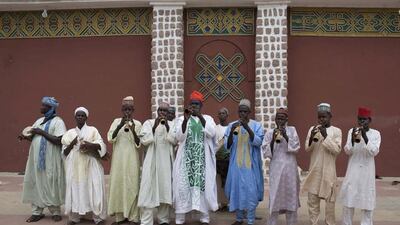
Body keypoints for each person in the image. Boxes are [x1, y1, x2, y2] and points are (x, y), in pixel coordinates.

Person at [173, 91, 218, 225]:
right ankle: (180, 217)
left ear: (201, 105)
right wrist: (186, 120)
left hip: (202, 161)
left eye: (197, 104)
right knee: (183, 187)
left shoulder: (208, 119)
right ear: (189, 105)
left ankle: (204, 217)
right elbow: (179, 137)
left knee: (203, 187)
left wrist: (200, 117)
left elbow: (212, 132)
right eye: (192, 104)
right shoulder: (182, 119)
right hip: (186, 160)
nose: (194, 106)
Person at [19, 97, 66, 223]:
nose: (41, 107)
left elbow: (59, 140)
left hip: (51, 160)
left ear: (51, 108)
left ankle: (55, 211)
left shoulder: (58, 122)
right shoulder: (39, 121)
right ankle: (36, 212)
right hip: (36, 160)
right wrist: (25, 137)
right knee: (37, 183)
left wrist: (41, 132)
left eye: (44, 105)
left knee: (51, 183)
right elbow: (33, 137)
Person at [62, 107, 107, 225]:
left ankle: (97, 218)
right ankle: (74, 218)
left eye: (82, 116)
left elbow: (101, 145)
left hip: (91, 165)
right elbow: (64, 153)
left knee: (94, 189)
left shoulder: (93, 130)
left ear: (86, 117)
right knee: (76, 189)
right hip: (75, 167)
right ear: (75, 117)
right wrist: (72, 143)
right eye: (78, 115)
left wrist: (89, 145)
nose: (80, 117)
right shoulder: (70, 133)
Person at [224, 99, 264, 225]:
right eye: (240, 112)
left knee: (251, 192)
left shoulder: (256, 125)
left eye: (245, 112)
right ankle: (239, 218)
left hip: (250, 166)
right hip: (236, 165)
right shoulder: (232, 125)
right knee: (237, 191)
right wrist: (231, 132)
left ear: (249, 112)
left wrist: (247, 127)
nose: (242, 114)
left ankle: (251, 220)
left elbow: (258, 142)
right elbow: (227, 146)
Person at [338, 107, 381, 225]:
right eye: (360, 119)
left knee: (367, 201)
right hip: (353, 170)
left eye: (364, 120)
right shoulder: (352, 131)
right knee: (348, 200)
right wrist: (352, 140)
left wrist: (365, 137)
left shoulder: (376, 134)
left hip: (367, 172)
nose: (362, 122)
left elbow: (374, 152)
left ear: (369, 120)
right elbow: (347, 151)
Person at [302, 103, 342, 225]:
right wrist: (312, 137)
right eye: (319, 117)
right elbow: (307, 149)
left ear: (330, 116)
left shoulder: (336, 131)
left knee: (330, 204)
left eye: (324, 117)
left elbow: (337, 150)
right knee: (312, 203)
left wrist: (325, 135)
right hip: (315, 171)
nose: (321, 119)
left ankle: (330, 223)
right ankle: (313, 222)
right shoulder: (312, 129)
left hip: (329, 173)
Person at [138, 102, 176, 225]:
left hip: (165, 164)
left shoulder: (172, 124)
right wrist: (154, 127)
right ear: (157, 111)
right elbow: (144, 141)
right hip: (151, 163)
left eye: (165, 111)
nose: (162, 113)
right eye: (161, 110)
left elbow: (175, 140)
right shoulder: (148, 123)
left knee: (165, 190)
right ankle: (146, 221)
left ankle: (163, 220)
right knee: (148, 189)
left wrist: (168, 127)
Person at [262, 108, 300, 225]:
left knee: (291, 198)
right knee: (275, 197)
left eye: (282, 118)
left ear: (286, 119)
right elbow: (266, 152)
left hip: (290, 170)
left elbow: (296, 148)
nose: (280, 121)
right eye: (278, 118)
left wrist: (286, 136)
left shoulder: (292, 130)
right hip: (276, 171)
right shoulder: (269, 133)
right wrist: (274, 139)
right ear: (275, 119)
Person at [107, 96, 142, 225]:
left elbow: (139, 143)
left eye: (130, 109)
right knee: (118, 186)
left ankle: (133, 217)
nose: (127, 111)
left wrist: (133, 131)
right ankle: (120, 217)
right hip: (118, 161)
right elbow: (110, 138)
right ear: (122, 110)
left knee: (132, 185)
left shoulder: (138, 124)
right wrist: (120, 125)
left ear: (133, 110)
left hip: (132, 160)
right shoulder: (116, 121)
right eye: (125, 109)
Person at [215, 107, 230, 211]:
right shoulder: (215, 128)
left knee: (228, 181)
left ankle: (229, 202)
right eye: (219, 113)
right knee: (219, 182)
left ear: (227, 115)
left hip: (229, 159)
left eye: (223, 113)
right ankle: (221, 203)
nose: (221, 115)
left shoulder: (231, 128)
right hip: (218, 159)